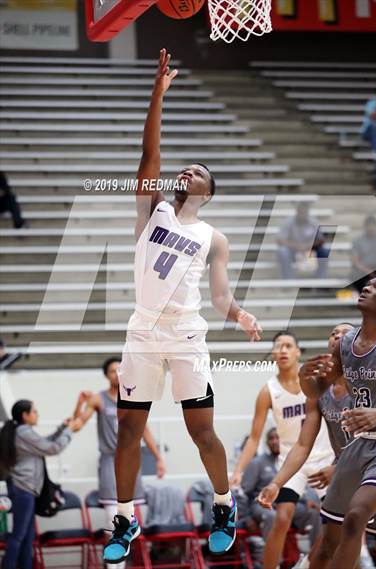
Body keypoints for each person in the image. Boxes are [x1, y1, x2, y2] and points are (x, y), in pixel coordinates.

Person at [103, 48, 262, 565]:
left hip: (188, 334)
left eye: (196, 172)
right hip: (142, 333)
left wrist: (238, 315)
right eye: (184, 167)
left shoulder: (213, 236)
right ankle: (123, 521)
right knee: (128, 429)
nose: (184, 172)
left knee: (202, 432)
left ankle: (223, 504)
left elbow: (218, 296)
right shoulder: (153, 211)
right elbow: (148, 155)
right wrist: (158, 95)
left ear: (207, 193)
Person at [299, 271, 376, 569]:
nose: (366, 286)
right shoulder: (346, 344)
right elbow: (316, 391)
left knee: (355, 517)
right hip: (358, 447)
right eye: (367, 283)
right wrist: (304, 379)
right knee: (340, 544)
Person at [256, 323, 376, 569]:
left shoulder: (369, 381)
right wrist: (276, 483)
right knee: (319, 541)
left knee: (364, 541)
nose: (337, 336)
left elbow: (375, 437)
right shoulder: (316, 389)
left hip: (367, 465)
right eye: (333, 333)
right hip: (318, 465)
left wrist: (338, 468)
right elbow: (302, 443)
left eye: (345, 333)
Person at [230, 330, 333, 569]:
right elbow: (255, 438)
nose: (283, 350)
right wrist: (239, 470)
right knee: (281, 517)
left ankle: (307, 563)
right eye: (278, 347)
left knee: (333, 524)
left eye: (288, 346)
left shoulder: (317, 381)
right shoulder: (268, 391)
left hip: (324, 457)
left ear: (298, 351)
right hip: (291, 461)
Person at [73, 357, 167, 569]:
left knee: (129, 519)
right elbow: (78, 424)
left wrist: (160, 459)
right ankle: (112, 566)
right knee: (111, 518)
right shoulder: (98, 399)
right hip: (109, 460)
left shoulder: (136, 397)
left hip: (132, 461)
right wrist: (78, 405)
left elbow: (146, 431)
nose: (117, 374)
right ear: (106, 375)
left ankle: (122, 564)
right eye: (112, 371)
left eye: (120, 370)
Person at [0, 399, 81, 569]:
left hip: (27, 489)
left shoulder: (24, 431)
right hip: (23, 488)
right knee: (19, 535)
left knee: (27, 537)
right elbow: (52, 449)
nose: (38, 414)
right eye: (35, 411)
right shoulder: (23, 432)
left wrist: (62, 429)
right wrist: (69, 432)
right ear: (25, 415)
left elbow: (45, 443)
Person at [239, 428, 321, 562]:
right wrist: (246, 517)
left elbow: (297, 485)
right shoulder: (257, 463)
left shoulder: (293, 460)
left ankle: (315, 558)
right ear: (267, 442)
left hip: (287, 504)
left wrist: (305, 500)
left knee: (313, 513)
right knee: (274, 516)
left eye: (277, 438)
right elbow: (242, 492)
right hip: (262, 505)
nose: (275, 441)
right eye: (271, 438)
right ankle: (274, 563)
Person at [276, 202, 329, 280]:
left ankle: (320, 281)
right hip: (292, 251)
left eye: (304, 212)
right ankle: (288, 281)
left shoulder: (313, 222)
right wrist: (297, 246)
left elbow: (321, 240)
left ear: (307, 212)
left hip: (309, 251)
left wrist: (307, 246)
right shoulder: (288, 222)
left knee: (324, 251)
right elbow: (280, 240)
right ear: (297, 212)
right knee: (282, 251)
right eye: (300, 212)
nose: (302, 214)